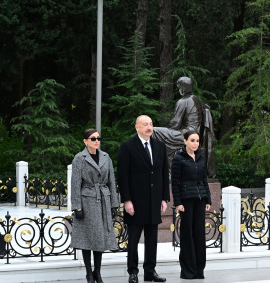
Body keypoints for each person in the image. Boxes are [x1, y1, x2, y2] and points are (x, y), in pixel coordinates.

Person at [117, 115, 170, 283]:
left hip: (154, 201)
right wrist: (127, 200)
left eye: (151, 124)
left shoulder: (160, 146)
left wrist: (164, 198)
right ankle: (133, 272)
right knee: (133, 240)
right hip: (136, 202)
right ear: (137, 127)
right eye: (145, 124)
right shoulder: (127, 147)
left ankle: (150, 271)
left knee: (152, 239)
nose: (149, 127)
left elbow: (163, 174)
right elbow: (122, 175)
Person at [70, 129, 119, 283]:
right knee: (87, 238)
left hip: (103, 200)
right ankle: (88, 273)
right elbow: (75, 184)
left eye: (99, 138)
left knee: (100, 238)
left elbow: (112, 181)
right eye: (93, 138)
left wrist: (114, 204)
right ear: (85, 141)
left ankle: (97, 272)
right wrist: (77, 206)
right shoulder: (79, 158)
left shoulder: (106, 157)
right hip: (87, 201)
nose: (97, 141)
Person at [152, 76, 217, 178]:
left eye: (179, 87)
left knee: (154, 131)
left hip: (186, 134)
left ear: (182, 88)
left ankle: (168, 171)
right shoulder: (197, 99)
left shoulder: (183, 101)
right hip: (196, 134)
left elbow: (174, 125)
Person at [171, 130, 212, 279]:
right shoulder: (178, 158)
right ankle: (188, 270)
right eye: (192, 140)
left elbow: (204, 180)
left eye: (197, 141)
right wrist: (178, 203)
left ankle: (199, 270)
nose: (195, 143)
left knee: (199, 234)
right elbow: (175, 183)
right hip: (186, 201)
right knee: (187, 235)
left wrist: (208, 199)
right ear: (185, 141)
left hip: (200, 199)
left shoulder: (201, 157)